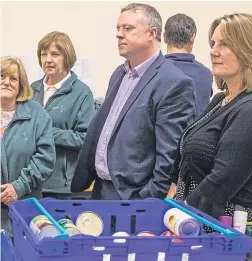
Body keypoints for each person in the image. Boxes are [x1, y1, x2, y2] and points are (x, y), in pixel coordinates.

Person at [71, 3, 196, 200]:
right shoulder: (119, 74)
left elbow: (169, 157)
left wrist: (147, 199)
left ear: (151, 33)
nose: (119, 34)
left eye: (128, 28)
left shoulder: (173, 82)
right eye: (118, 29)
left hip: (133, 198)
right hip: (101, 191)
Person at [168, 13, 252, 222]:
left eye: (225, 44)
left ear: (251, 51)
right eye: (213, 43)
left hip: (230, 229)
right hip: (199, 217)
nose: (213, 51)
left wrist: (179, 216)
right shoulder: (221, 99)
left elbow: (222, 180)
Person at [31, 32, 95, 200]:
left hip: (60, 185)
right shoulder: (31, 90)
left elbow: (84, 138)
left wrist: (46, 133)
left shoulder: (82, 93)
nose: (48, 60)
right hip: (28, 182)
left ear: (67, 57)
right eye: (44, 54)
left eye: (55, 54)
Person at [0, 56, 55, 236]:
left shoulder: (37, 114)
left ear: (21, 84)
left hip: (23, 212)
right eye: (1, 76)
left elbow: (45, 159)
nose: (6, 82)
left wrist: (19, 186)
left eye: (13, 78)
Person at [164, 13, 213, 116]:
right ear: (193, 38)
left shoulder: (153, 72)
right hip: (200, 132)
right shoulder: (206, 74)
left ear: (164, 37)